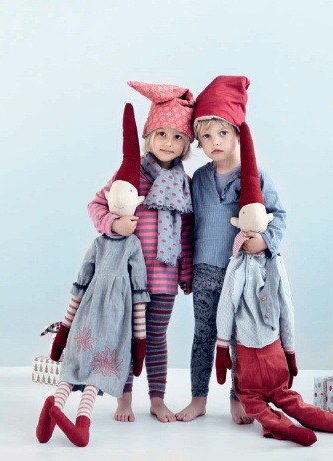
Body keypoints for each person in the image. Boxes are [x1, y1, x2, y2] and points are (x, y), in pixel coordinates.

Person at [213, 80, 333, 445]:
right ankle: (328, 426)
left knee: (259, 401)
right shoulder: (262, 264)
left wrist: (224, 347)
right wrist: (288, 353)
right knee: (288, 400)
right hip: (272, 348)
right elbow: (282, 306)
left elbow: (231, 303)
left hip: (256, 353)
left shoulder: (253, 262)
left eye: (223, 133)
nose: (216, 141)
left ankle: (304, 427)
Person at [35, 103, 150, 447]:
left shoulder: (130, 247)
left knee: (86, 366)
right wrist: (64, 330)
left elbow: (137, 292)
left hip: (107, 318)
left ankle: (63, 414)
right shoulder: (101, 244)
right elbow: (82, 285)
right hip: (99, 317)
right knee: (83, 362)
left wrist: (140, 340)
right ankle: (66, 417)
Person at [175, 76, 286, 424]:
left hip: (241, 273)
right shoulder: (198, 179)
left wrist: (265, 241)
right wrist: (185, 269)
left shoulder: (256, 176)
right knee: (203, 336)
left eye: (222, 133)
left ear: (238, 132)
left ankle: (238, 399)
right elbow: (188, 225)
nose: (215, 142)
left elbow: (279, 216)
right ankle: (198, 398)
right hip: (205, 271)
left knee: (239, 339)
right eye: (206, 137)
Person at [87, 81, 195, 423]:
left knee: (156, 338)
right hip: (128, 277)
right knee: (128, 338)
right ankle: (124, 398)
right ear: (149, 136)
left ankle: (157, 399)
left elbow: (187, 231)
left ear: (186, 144)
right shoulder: (130, 175)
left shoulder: (184, 183)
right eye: (162, 134)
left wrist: (186, 272)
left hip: (164, 277)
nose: (168, 142)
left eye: (177, 137)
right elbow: (95, 205)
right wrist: (113, 224)